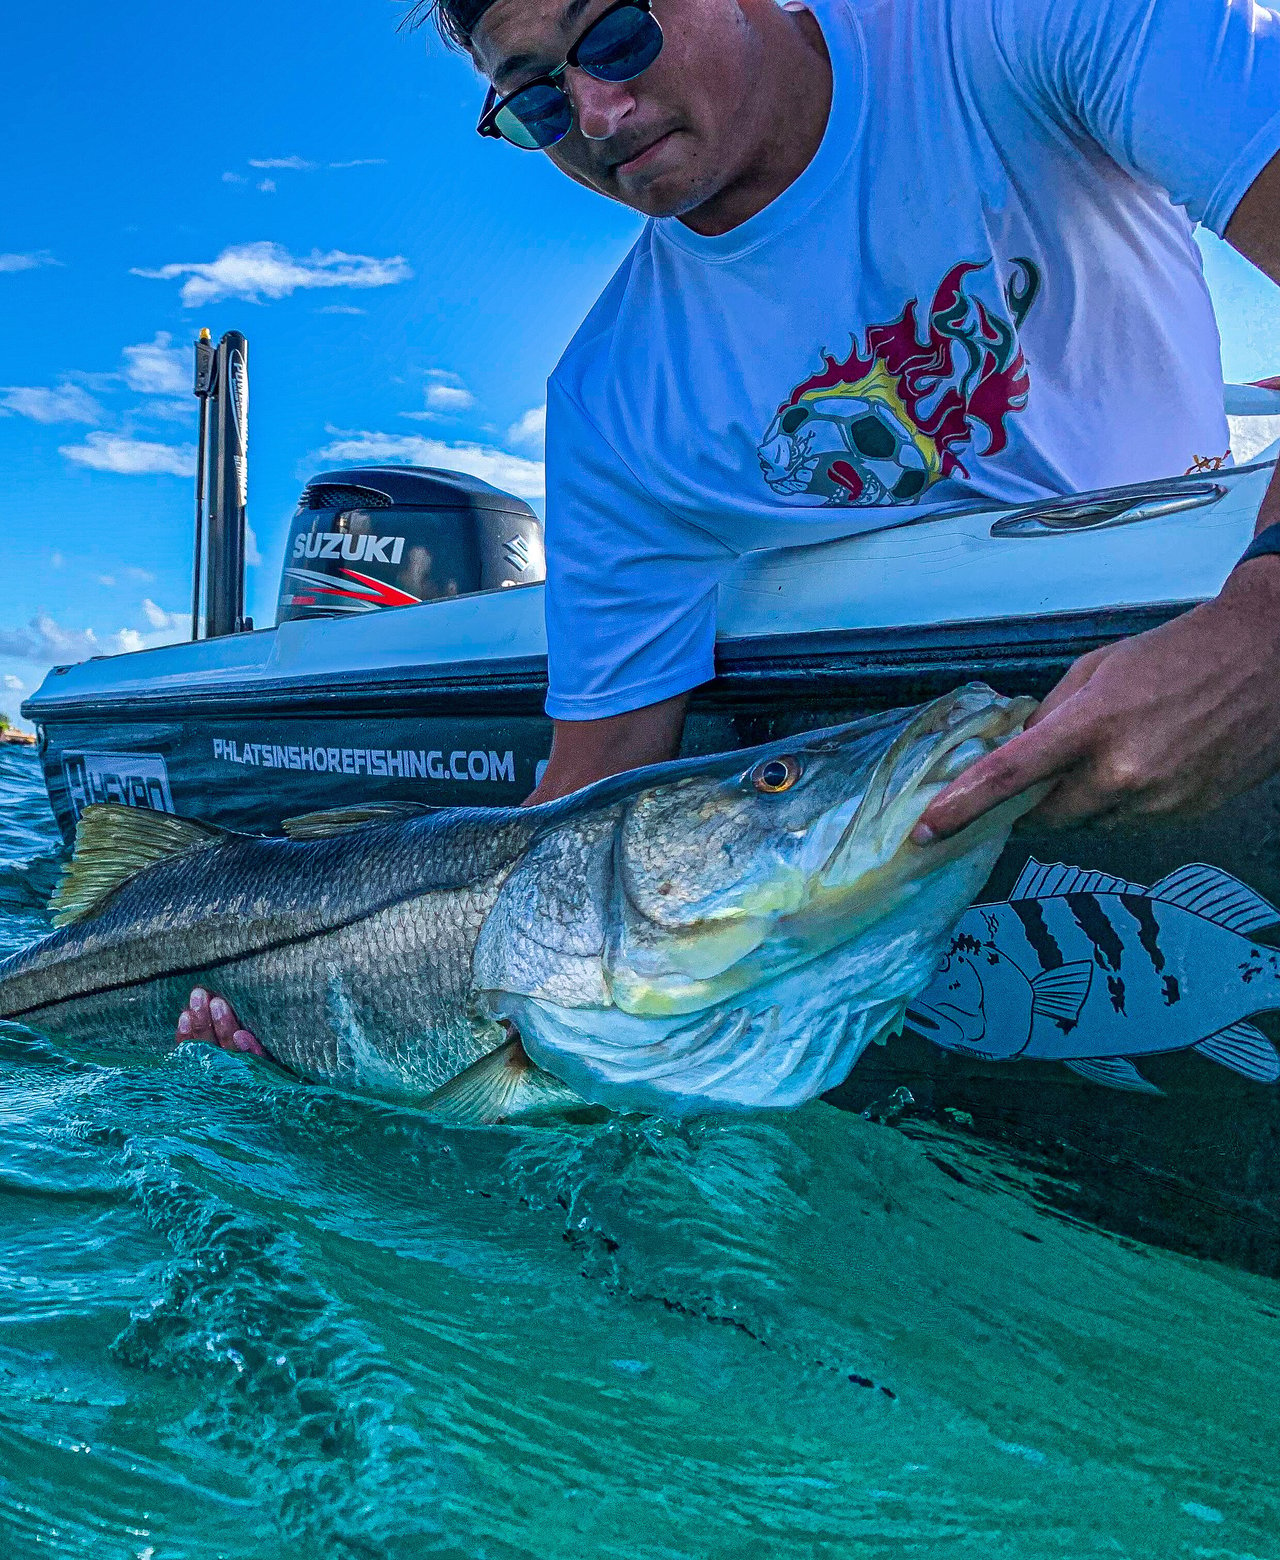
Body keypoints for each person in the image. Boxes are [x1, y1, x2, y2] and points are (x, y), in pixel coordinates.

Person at [181, 0, 1280, 1055]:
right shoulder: (614, 398)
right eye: (537, 107)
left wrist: (1259, 620)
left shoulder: (1024, 23)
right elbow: (586, 800)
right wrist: (339, 1004)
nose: (600, 119)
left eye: (615, 35)